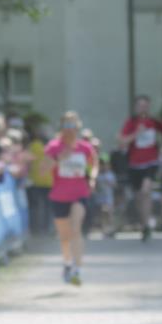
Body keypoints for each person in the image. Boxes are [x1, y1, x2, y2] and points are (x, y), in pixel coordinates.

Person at [42, 111, 98, 285]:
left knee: (76, 227)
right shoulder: (54, 147)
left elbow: (94, 165)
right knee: (65, 236)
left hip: (80, 193)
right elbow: (43, 169)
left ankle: (77, 269)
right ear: (62, 127)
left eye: (72, 125)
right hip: (59, 195)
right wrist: (59, 158)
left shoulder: (85, 147)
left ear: (78, 127)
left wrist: (93, 178)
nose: (69, 129)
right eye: (66, 125)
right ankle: (67, 263)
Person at [117, 94, 162, 241]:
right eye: (140, 105)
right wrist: (136, 133)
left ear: (148, 107)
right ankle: (144, 225)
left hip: (151, 163)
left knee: (146, 191)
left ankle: (148, 224)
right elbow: (122, 142)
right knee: (138, 197)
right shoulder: (131, 123)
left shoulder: (154, 122)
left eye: (145, 105)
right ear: (136, 107)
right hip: (134, 165)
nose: (143, 108)